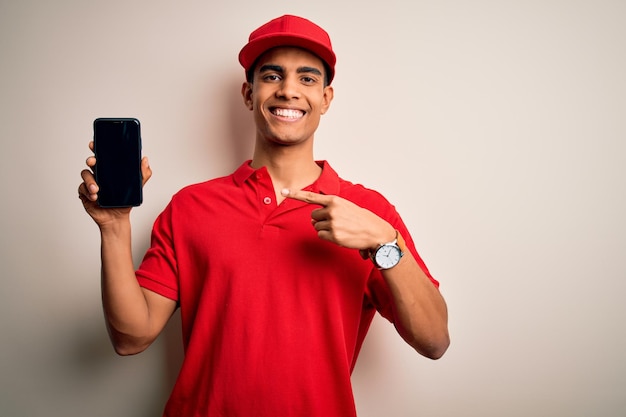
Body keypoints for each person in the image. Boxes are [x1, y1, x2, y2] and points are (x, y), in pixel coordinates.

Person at [79, 14, 449, 417]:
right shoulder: (189, 207)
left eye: (307, 78)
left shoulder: (369, 213)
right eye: (272, 76)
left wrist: (384, 241)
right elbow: (131, 337)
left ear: (326, 98)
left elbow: (434, 342)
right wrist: (114, 228)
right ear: (248, 93)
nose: (289, 90)